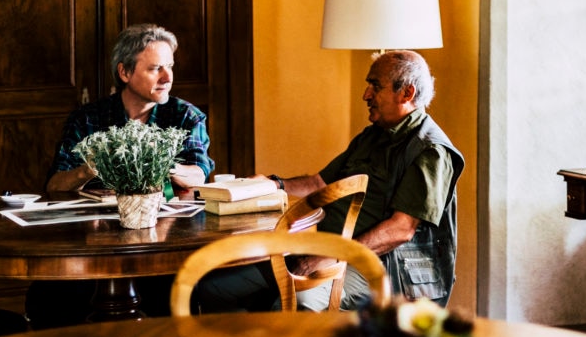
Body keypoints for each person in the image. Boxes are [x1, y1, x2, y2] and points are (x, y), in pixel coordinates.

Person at [195, 50, 464, 312]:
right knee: (214, 289)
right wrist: (274, 183)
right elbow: (317, 184)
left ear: (407, 93)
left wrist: (332, 255)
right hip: (324, 248)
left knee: (295, 304)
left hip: (381, 266)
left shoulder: (431, 151)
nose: (365, 95)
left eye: (375, 86)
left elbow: (400, 230)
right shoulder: (372, 137)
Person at [27, 24, 216, 328]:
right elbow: (54, 184)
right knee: (50, 298)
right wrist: (90, 167)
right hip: (95, 242)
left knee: (168, 298)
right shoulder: (88, 119)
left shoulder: (185, 116)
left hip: (163, 240)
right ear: (125, 73)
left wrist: (154, 158)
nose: (167, 78)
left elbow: (199, 174)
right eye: (156, 69)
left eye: (170, 67)